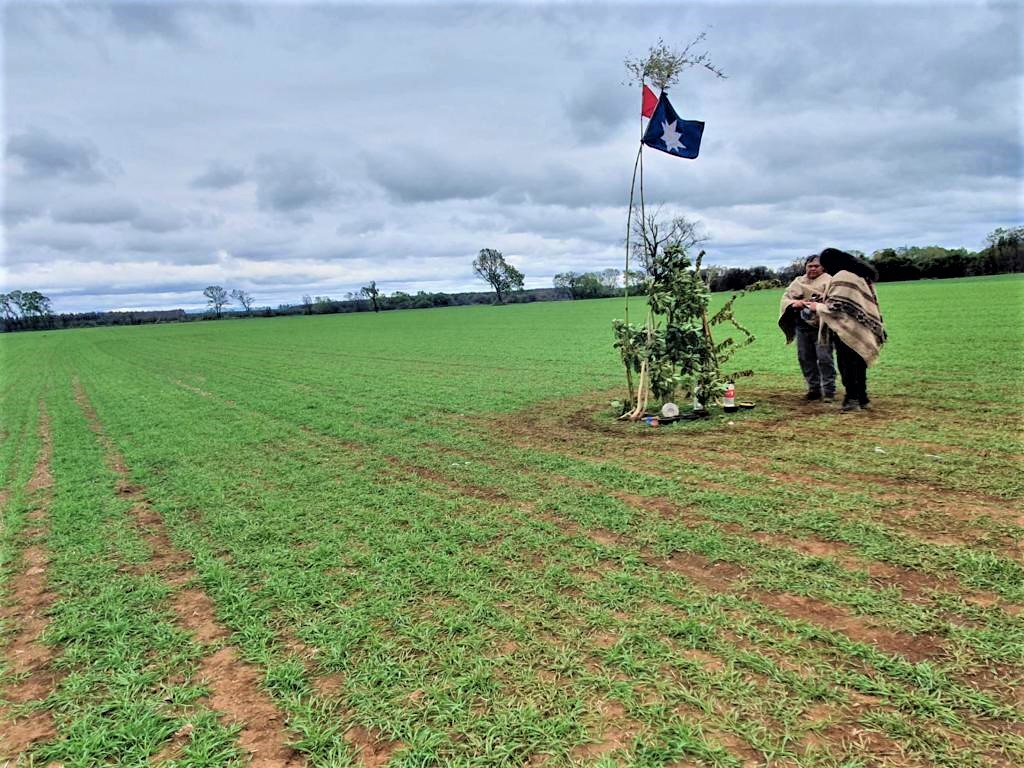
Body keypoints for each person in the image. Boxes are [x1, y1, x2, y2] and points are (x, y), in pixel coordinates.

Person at [805, 248, 887, 412]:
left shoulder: (842, 276)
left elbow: (837, 306)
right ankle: (862, 398)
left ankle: (852, 399)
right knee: (859, 364)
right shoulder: (861, 275)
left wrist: (816, 306)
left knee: (847, 365)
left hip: (847, 329)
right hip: (861, 327)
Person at [778, 254, 836, 401]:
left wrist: (818, 306)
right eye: (810, 266)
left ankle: (829, 390)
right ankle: (814, 389)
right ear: (805, 267)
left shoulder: (830, 281)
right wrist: (794, 304)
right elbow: (786, 298)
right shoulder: (798, 282)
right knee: (805, 358)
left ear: (822, 267)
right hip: (801, 326)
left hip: (822, 326)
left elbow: (834, 302)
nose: (813, 269)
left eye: (816, 266)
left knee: (824, 358)